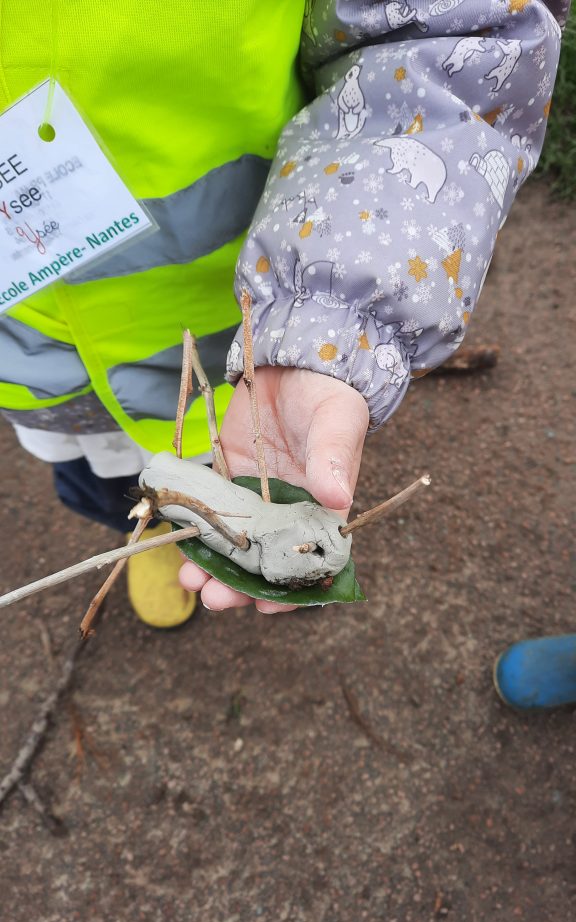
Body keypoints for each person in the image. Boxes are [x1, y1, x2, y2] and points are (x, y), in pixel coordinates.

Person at [0, 1, 570, 628]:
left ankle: (160, 520)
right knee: (97, 472)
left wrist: (331, 316)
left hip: (238, 322)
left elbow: (441, 37)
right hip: (33, 365)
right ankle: (147, 526)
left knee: (200, 444)